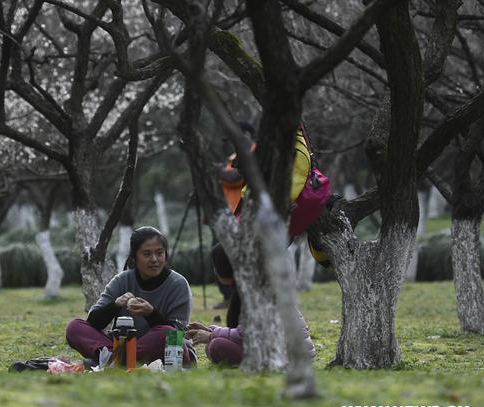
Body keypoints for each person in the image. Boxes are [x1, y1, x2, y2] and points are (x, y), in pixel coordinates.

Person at [65, 226, 195, 367]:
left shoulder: (178, 284)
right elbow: (92, 322)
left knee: (168, 333)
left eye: (159, 253)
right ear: (134, 257)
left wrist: (151, 314)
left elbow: (177, 336)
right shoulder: (122, 280)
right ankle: (118, 360)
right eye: (146, 254)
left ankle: (114, 361)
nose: (154, 259)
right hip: (125, 346)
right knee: (74, 327)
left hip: (169, 353)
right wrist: (115, 305)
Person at [186, 244, 315, 366]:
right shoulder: (251, 284)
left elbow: (245, 334)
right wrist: (210, 330)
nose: (214, 271)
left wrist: (211, 335)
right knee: (213, 344)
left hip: (291, 355)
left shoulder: (254, 291)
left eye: (216, 266)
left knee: (216, 345)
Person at [214, 121, 255, 309]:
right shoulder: (233, 157)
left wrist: (218, 170)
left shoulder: (254, 153)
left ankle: (238, 296)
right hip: (229, 212)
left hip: (243, 214)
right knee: (220, 255)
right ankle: (228, 296)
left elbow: (232, 178)